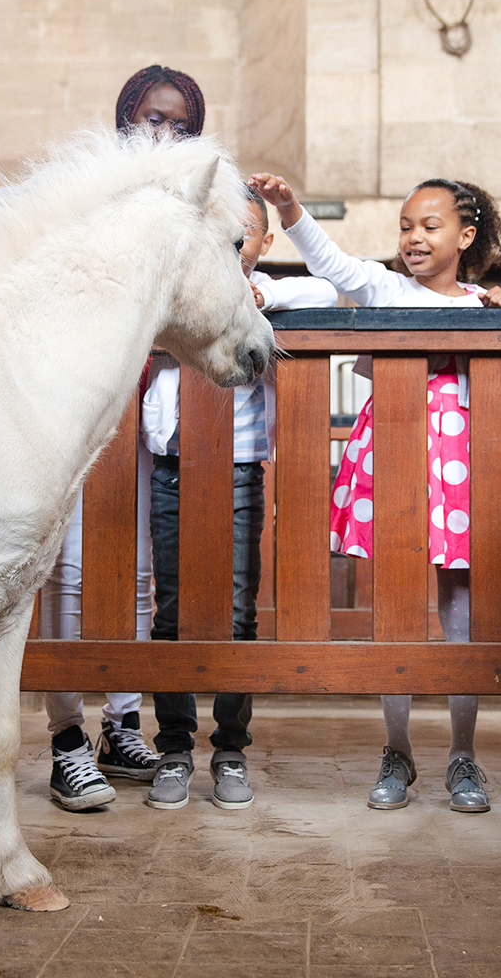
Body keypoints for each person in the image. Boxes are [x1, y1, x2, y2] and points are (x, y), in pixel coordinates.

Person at [252, 171, 501, 812]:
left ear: (466, 234)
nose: (415, 238)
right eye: (405, 227)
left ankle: (463, 754)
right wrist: (291, 210)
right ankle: (397, 750)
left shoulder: (483, 302)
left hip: (458, 459)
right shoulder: (388, 287)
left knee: (460, 605)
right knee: (395, 605)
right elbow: (333, 262)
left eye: (431, 226)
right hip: (393, 450)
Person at [40, 65, 209, 812]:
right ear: (124, 121)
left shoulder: (194, 205)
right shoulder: (91, 195)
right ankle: (65, 740)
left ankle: (122, 722)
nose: (163, 134)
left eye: (179, 124)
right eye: (150, 118)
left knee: (136, 572)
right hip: (75, 406)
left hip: (149, 412)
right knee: (69, 572)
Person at [140, 184, 338, 813]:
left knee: (235, 611)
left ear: (263, 241)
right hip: (172, 468)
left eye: (243, 234)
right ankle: (173, 747)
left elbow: (331, 291)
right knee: (170, 610)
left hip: (239, 472)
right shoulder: (180, 290)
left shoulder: (268, 296)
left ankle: (230, 749)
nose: (231, 246)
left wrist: (265, 296)